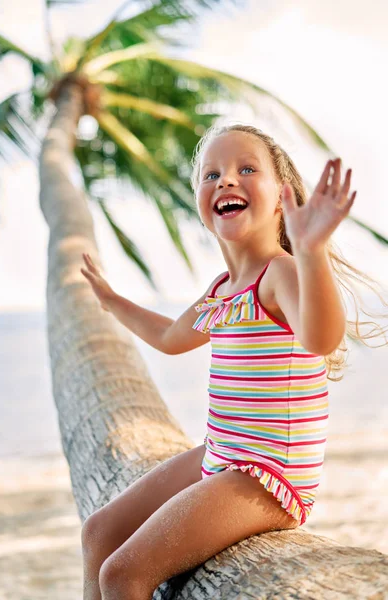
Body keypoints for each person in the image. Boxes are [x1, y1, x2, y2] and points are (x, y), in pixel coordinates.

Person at [79, 123, 386, 600]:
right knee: (98, 534)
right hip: (221, 453)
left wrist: (311, 251)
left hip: (268, 474)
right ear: (202, 204)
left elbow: (321, 337)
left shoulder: (280, 272)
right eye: (211, 174)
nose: (226, 180)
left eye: (247, 169)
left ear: (282, 199)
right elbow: (168, 336)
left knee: (123, 574)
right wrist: (110, 299)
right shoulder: (222, 290)